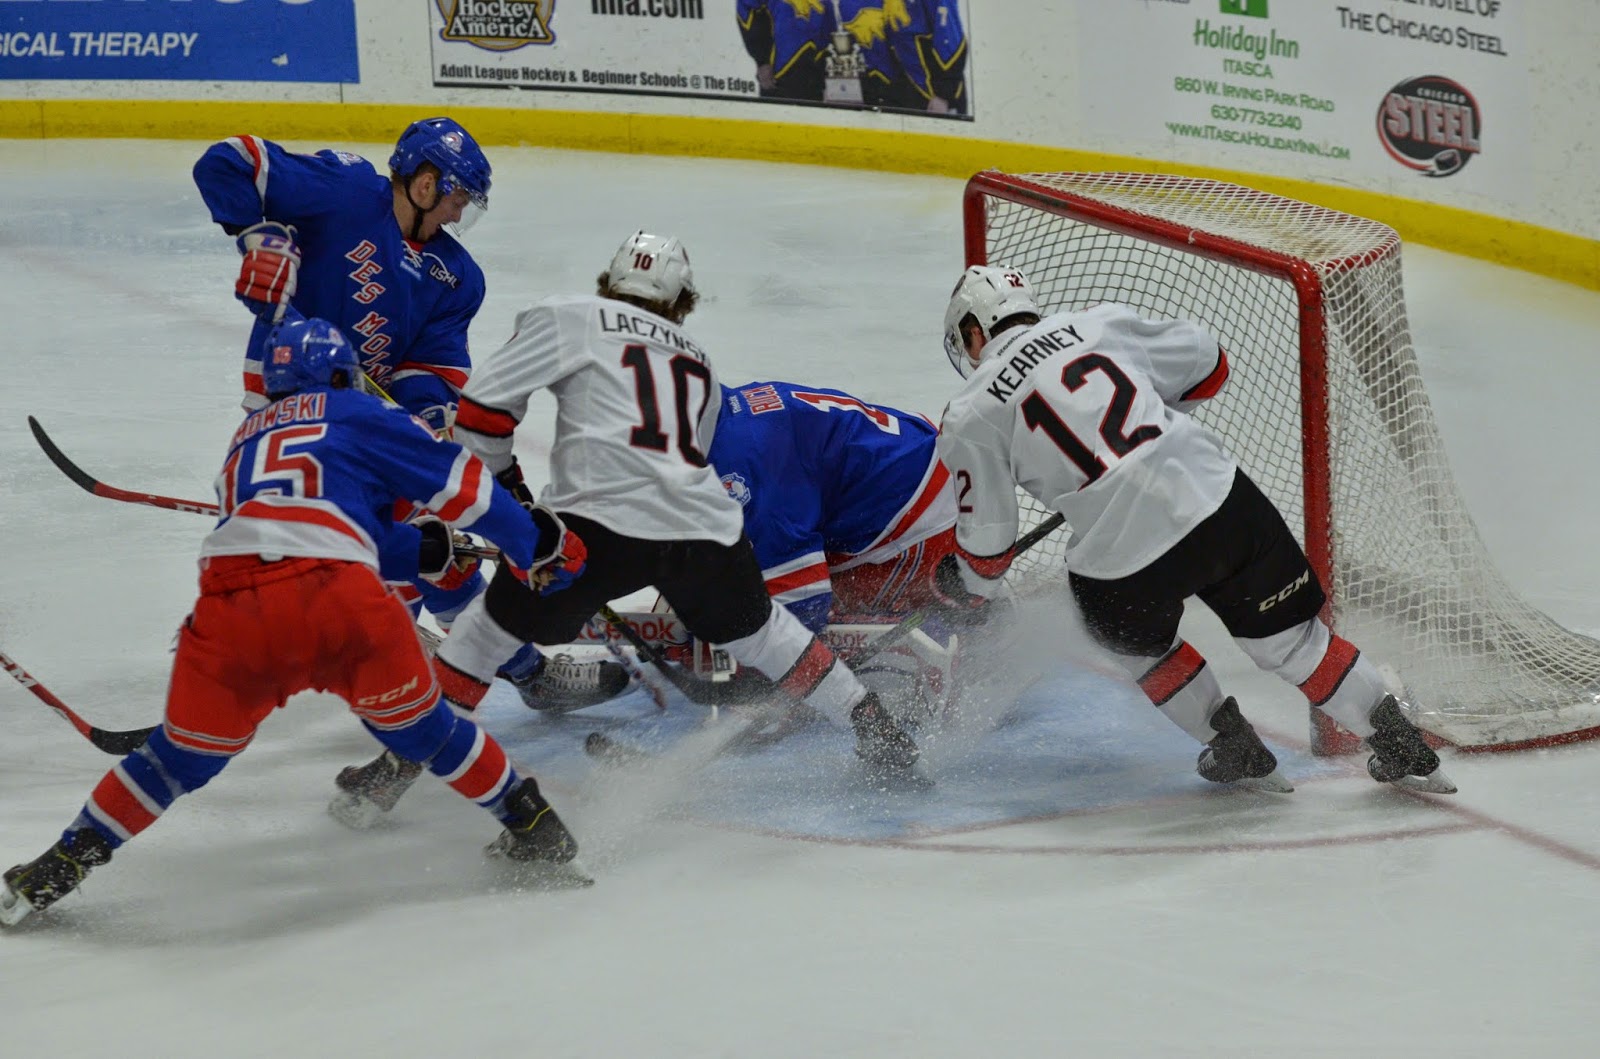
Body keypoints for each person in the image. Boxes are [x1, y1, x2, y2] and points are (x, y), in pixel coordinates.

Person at [0, 319, 591, 927]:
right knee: (430, 735)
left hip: (232, 610)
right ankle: (536, 829)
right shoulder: (358, 411)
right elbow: (462, 488)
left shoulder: (243, 441)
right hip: (341, 600)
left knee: (173, 760)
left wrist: (422, 551)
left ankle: (54, 870)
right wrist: (536, 545)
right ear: (342, 375)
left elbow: (310, 525)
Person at [331, 230, 925, 823]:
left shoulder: (569, 314)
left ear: (608, 284)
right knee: (767, 635)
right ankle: (876, 728)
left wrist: (513, 504)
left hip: (598, 521)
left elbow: (481, 415)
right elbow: (691, 456)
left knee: (484, 635)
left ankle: (393, 771)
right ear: (681, 303)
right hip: (704, 528)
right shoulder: (697, 361)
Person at [931, 265, 1456, 794]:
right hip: (1221, 501)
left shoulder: (971, 411)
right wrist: (1146, 434)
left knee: (1138, 645)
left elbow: (989, 548)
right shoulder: (1097, 324)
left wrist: (961, 585)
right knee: (1296, 644)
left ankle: (1233, 745)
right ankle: (1403, 746)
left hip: (1123, 560)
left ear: (975, 330)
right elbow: (1210, 366)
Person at [192, 116, 620, 711]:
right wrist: (256, 237)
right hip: (287, 398)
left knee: (432, 548)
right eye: (456, 200)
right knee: (405, 548)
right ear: (425, 183)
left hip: (368, 418)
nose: (457, 215)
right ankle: (413, 661)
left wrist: (431, 414)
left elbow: (429, 366)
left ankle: (487, 664)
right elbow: (227, 160)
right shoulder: (344, 190)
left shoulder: (456, 275)